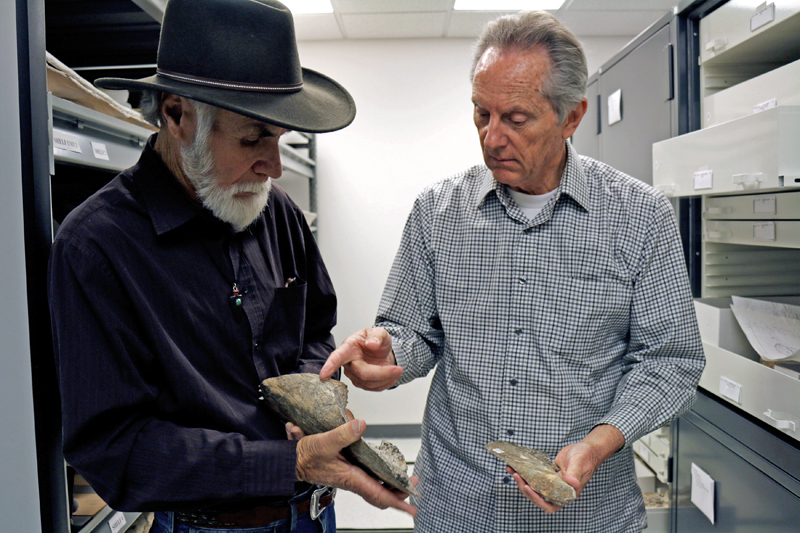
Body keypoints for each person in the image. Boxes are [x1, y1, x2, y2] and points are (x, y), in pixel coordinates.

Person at [320, 10, 705, 533]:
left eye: (516, 119)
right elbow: (414, 331)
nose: (492, 138)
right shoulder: (438, 212)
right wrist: (390, 353)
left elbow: (671, 360)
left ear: (571, 117)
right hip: (456, 505)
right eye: (482, 114)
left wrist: (600, 441)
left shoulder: (639, 216)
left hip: (586, 515)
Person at [47, 1, 415, 532]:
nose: (275, 164)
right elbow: (114, 449)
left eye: (279, 138)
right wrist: (287, 463)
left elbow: (312, 329)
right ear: (177, 115)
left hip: (314, 515)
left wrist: (311, 398)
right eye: (253, 139)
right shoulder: (97, 247)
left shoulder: (277, 211)